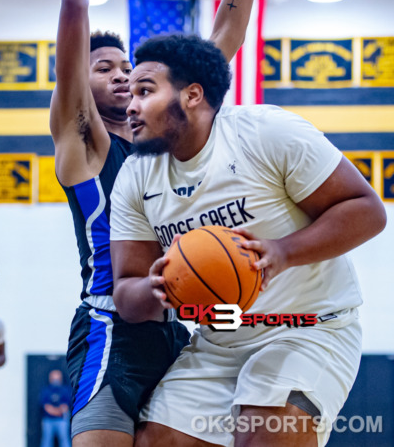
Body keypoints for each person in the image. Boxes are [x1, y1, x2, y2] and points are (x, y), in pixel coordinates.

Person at [109, 33, 387, 447]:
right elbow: (127, 295)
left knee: (263, 431)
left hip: (308, 328)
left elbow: (367, 211)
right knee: (154, 441)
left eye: (145, 91)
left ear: (192, 95)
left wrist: (281, 252)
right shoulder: (135, 177)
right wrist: (156, 289)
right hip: (219, 341)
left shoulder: (264, 133)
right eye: (130, 93)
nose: (130, 106)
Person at [50, 0, 261, 444]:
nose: (121, 74)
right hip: (111, 327)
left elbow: (225, 38)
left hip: (176, 325)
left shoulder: (162, 143)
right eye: (104, 68)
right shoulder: (83, 143)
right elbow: (73, 8)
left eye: (127, 67)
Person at [40, 369, 72, 447]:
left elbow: (65, 407)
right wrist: (58, 411)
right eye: (54, 378)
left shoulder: (65, 390)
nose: (56, 380)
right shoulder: (46, 391)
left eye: (57, 378)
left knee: (64, 440)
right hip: (48, 420)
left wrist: (57, 410)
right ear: (50, 379)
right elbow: (46, 407)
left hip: (62, 420)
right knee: (46, 441)